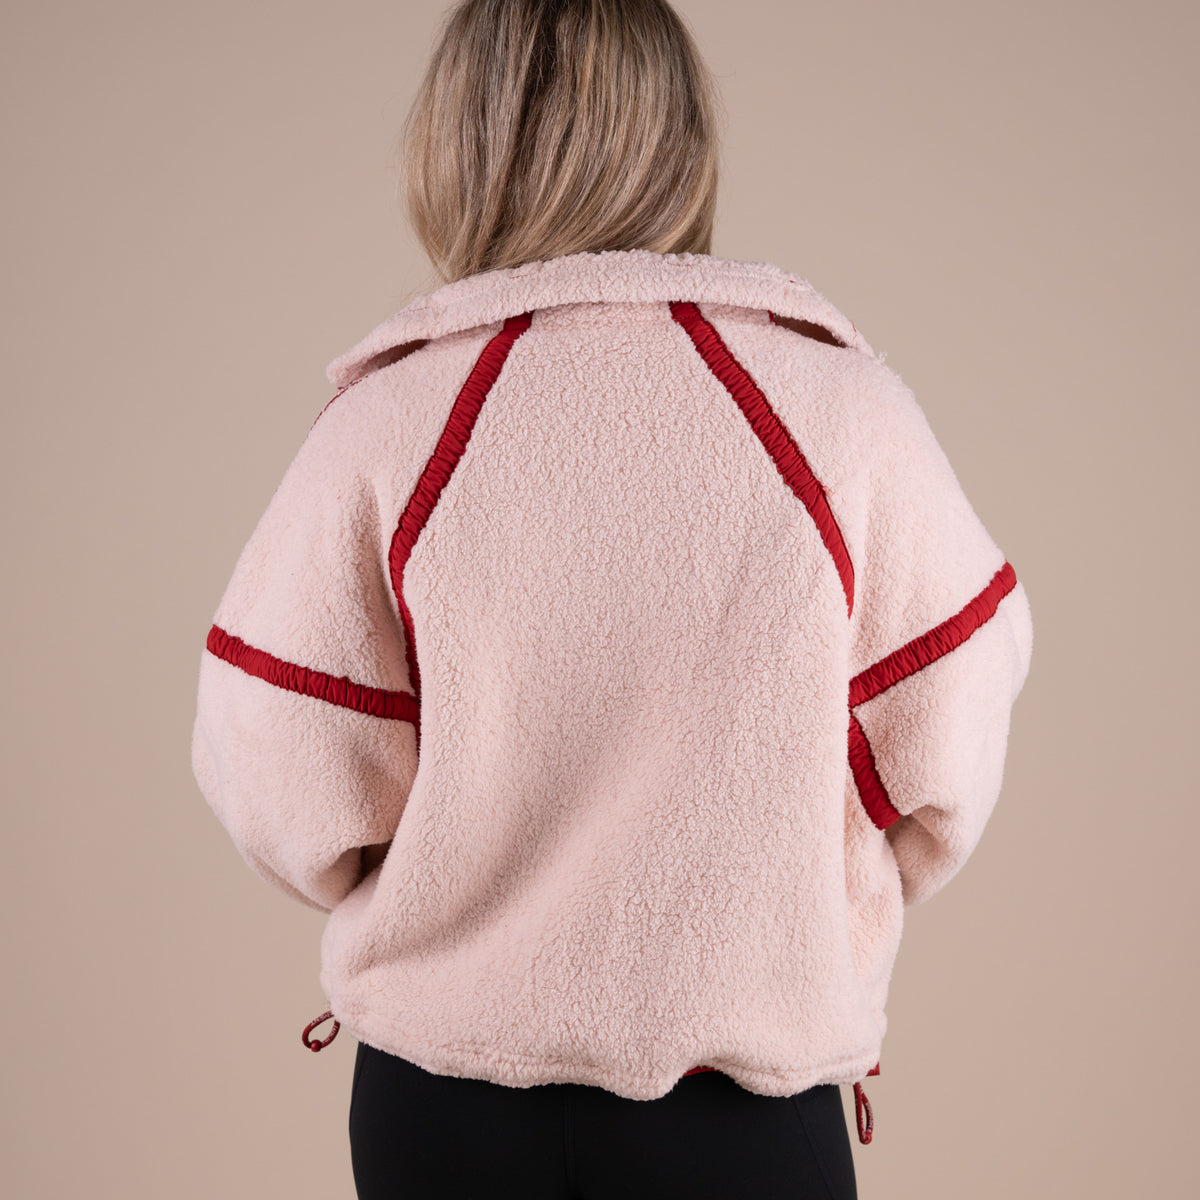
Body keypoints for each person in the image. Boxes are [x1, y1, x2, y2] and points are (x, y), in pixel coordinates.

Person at [190, 1, 1034, 1197]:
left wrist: (460, 864)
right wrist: (789, 873)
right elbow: (945, 746)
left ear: (457, 146)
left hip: (446, 1111)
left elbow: (281, 777)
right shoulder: (844, 417)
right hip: (747, 1121)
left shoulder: (387, 426)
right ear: (680, 141)